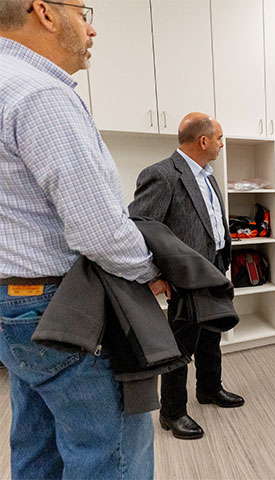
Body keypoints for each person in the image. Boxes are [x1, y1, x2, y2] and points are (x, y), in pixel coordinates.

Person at [0, 1, 165, 477]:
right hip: (69, 308)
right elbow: (99, 229)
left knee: (36, 451)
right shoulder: (41, 94)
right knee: (109, 457)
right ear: (44, 13)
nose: (91, 29)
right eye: (82, 11)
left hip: (17, 308)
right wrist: (151, 273)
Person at [129, 112, 245, 440]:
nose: (223, 144)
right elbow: (139, 226)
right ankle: (172, 412)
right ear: (203, 140)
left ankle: (209, 389)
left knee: (211, 337)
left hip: (214, 269)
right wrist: (155, 274)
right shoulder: (162, 174)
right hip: (186, 278)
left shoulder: (208, 175)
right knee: (181, 346)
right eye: (219, 138)